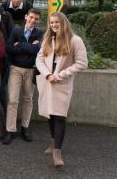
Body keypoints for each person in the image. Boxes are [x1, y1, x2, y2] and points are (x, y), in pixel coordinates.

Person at [35, 12, 87, 167]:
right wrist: (48, 74)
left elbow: (82, 63)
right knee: (50, 115)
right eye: (51, 23)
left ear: (63, 22)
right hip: (47, 81)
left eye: (56, 22)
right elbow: (39, 60)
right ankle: (53, 143)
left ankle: (57, 152)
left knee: (59, 116)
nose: (54, 25)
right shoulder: (48, 39)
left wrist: (59, 75)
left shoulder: (75, 40)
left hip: (61, 83)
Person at [3, 8, 44, 145]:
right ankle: (10, 130)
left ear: (38, 21)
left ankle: (25, 128)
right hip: (15, 69)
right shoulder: (16, 31)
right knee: (13, 100)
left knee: (28, 99)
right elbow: (9, 48)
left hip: (31, 70)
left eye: (36, 19)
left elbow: (37, 50)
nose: (33, 21)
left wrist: (20, 45)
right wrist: (28, 47)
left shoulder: (39, 33)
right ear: (26, 16)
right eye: (31, 17)